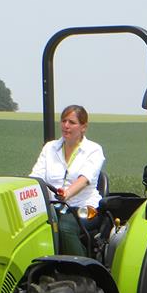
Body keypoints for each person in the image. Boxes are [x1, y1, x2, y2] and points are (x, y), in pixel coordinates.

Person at [30, 104, 105, 256]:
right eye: (63, 121)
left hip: (84, 207)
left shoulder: (94, 150)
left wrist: (67, 193)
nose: (66, 126)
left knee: (65, 227)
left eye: (72, 122)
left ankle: (82, 271)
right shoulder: (50, 148)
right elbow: (36, 176)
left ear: (83, 127)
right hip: (53, 206)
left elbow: (85, 179)